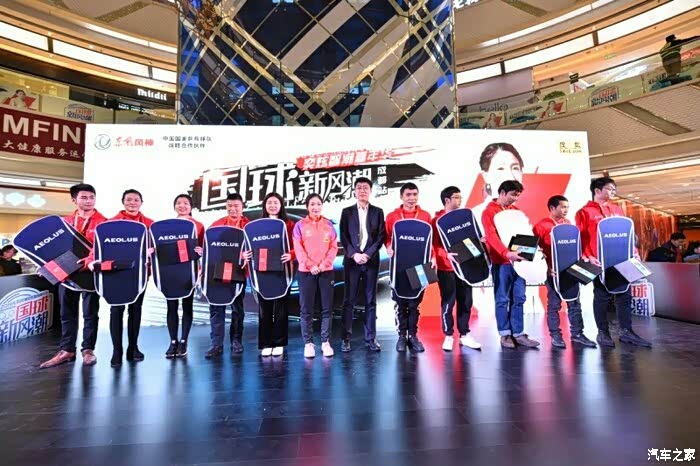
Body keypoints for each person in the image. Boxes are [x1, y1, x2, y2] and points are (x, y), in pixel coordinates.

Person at [575, 177, 651, 348]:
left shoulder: (616, 209)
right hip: (599, 260)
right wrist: (587, 255)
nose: (613, 192)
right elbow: (582, 237)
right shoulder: (584, 212)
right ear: (597, 190)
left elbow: (627, 233)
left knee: (624, 295)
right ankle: (603, 332)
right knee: (601, 296)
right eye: (609, 188)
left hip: (621, 259)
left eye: (614, 189)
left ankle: (626, 332)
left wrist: (634, 251)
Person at [40, 183, 107, 368]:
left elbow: (105, 247)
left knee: (90, 313)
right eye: (84, 197)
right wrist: (46, 266)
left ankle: (88, 350)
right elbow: (54, 248)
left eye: (92, 197)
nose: (89, 201)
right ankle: (67, 350)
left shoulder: (104, 222)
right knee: (67, 313)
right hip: (66, 274)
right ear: (74, 200)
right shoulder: (65, 222)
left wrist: (90, 259)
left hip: (90, 273)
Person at [481, 180, 540, 349]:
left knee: (519, 298)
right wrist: (506, 253)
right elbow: (491, 236)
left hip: (520, 263)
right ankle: (505, 334)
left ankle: (518, 333)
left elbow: (524, 235)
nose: (515, 198)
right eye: (513, 195)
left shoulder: (517, 212)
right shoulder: (488, 212)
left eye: (517, 195)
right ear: (502, 193)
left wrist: (531, 252)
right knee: (502, 299)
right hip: (502, 262)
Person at [533, 195, 596, 349]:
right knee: (554, 305)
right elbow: (534, 252)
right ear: (552, 208)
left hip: (571, 271)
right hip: (553, 273)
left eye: (567, 207)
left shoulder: (568, 225)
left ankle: (578, 334)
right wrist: (546, 268)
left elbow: (576, 247)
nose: (566, 210)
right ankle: (555, 335)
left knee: (575, 303)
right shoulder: (540, 226)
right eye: (562, 207)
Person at [384, 182, 435, 353]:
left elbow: (430, 241)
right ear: (401, 196)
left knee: (415, 304)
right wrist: (388, 246)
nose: (412, 198)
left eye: (415, 194)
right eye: (408, 195)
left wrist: (433, 258)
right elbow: (387, 237)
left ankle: (413, 336)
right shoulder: (392, 217)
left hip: (420, 266)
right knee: (400, 303)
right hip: (398, 265)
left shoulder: (426, 216)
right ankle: (401, 336)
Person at [107, 189, 154, 367]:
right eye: (129, 199)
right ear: (123, 202)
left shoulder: (150, 224)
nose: (132, 203)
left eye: (136, 200)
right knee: (116, 310)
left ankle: (133, 348)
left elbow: (157, 247)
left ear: (141, 202)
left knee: (135, 309)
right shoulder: (111, 223)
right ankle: (116, 351)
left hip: (140, 273)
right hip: (116, 273)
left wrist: (152, 250)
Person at [432, 186, 481, 352]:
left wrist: (479, 243)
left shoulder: (464, 218)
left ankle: (464, 334)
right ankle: (448, 335)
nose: (460, 200)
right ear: (447, 200)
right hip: (447, 269)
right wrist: (446, 255)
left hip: (466, 266)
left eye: (461, 197)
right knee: (448, 302)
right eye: (457, 197)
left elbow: (472, 239)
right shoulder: (437, 221)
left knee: (466, 301)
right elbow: (434, 246)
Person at [339, 177, 385, 353]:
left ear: (370, 191)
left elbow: (380, 236)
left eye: (365, 187)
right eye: (359, 188)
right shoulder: (347, 212)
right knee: (349, 301)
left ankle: (371, 339)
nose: (362, 190)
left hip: (370, 261)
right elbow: (343, 236)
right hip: (352, 262)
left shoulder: (378, 212)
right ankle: (346, 339)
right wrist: (354, 254)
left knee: (370, 301)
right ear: (355, 191)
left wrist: (367, 254)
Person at [293, 193, 338, 359]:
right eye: (312, 204)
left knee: (327, 308)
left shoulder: (328, 225)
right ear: (307, 206)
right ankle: (308, 343)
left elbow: (333, 248)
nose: (315, 207)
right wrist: (310, 265)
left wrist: (323, 265)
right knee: (306, 309)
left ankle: (325, 342)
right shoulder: (299, 225)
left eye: (318, 204)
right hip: (306, 272)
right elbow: (298, 249)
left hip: (326, 271)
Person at [205, 193, 250, 357]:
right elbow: (208, 248)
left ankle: (236, 341)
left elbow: (255, 248)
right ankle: (216, 344)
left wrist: (246, 254)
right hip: (218, 271)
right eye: (229, 206)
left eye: (236, 206)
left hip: (238, 271)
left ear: (242, 207)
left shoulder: (249, 226)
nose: (233, 209)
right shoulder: (216, 225)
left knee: (237, 308)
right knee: (216, 307)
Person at [165, 194, 204, 358]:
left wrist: (202, 251)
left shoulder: (198, 225)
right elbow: (162, 245)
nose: (182, 206)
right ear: (174, 206)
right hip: (171, 270)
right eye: (178, 203)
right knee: (171, 306)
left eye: (186, 203)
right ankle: (172, 341)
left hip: (190, 271)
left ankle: (184, 341)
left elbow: (203, 247)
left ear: (191, 206)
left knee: (187, 305)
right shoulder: (167, 225)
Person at [257, 192, 294, 357]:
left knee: (281, 308)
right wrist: (247, 254)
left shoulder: (289, 224)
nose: (272, 205)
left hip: (282, 270)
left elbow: (297, 244)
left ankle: (279, 342)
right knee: (264, 308)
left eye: (276, 202)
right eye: (269, 202)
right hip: (262, 271)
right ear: (265, 205)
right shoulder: (257, 225)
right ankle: (265, 343)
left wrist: (291, 254)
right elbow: (249, 244)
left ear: (281, 205)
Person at [471, 143, 524, 229]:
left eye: (515, 168)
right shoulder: (475, 216)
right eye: (501, 168)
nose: (511, 176)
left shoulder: (518, 214)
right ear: (486, 176)